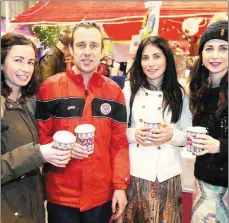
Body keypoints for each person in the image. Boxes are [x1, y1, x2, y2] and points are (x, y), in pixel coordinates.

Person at [36, 22, 130, 223]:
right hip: (61, 197)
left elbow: (119, 144)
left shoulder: (114, 93)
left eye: (94, 45)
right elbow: (41, 138)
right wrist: (61, 149)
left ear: (102, 50)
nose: (87, 52)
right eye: (81, 45)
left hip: (101, 197)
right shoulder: (49, 89)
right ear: (70, 49)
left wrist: (120, 187)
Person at [1, 33, 71, 223]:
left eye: (31, 62)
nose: (26, 69)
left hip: (34, 209)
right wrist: (38, 154)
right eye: (18, 60)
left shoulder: (30, 103)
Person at [121, 36, 192, 222]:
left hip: (169, 175)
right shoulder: (129, 91)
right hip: (137, 174)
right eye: (145, 58)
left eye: (156, 56)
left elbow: (189, 136)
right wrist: (134, 134)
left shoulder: (179, 93)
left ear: (166, 59)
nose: (150, 63)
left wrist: (171, 135)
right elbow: (117, 131)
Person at [189, 20, 228, 222]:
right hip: (202, 184)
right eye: (209, 48)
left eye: (223, 48)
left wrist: (219, 146)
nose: (215, 56)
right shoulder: (198, 90)